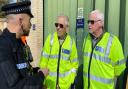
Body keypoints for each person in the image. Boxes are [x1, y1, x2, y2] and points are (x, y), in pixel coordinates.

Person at [0, 1, 49, 89]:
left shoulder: (19, 43)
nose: (31, 24)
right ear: (20, 20)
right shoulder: (3, 47)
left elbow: (23, 71)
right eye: (29, 20)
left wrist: (36, 71)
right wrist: (40, 77)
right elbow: (15, 86)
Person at [82, 10, 126, 89]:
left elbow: (119, 70)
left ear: (101, 23)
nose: (89, 24)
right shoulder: (86, 40)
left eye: (92, 22)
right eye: (88, 21)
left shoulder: (113, 42)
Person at [39, 15, 78, 89]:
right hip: (50, 84)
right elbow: (43, 63)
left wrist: (70, 82)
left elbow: (74, 66)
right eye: (56, 25)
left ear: (67, 27)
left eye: (61, 25)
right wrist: (43, 82)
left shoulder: (71, 42)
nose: (58, 27)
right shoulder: (50, 39)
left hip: (65, 86)